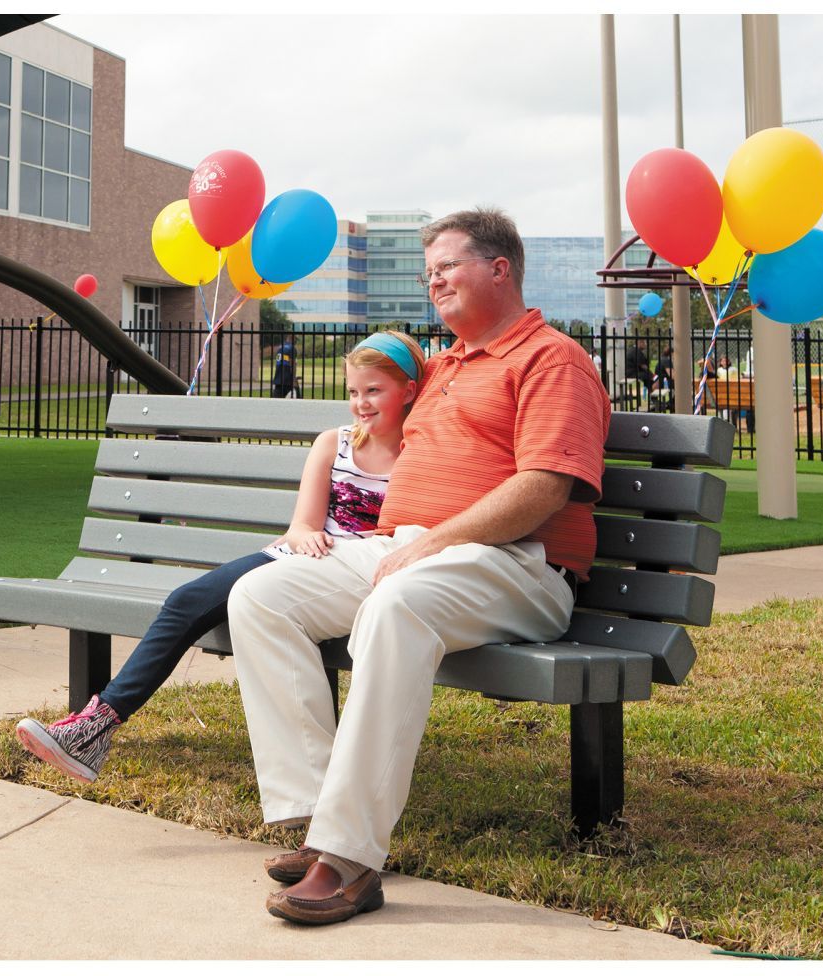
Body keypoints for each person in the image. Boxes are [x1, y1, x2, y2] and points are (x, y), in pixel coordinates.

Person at [227, 208, 610, 926]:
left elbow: (543, 488)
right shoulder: (443, 365)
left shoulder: (551, 359)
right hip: (409, 549)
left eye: (448, 267)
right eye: (426, 270)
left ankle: (349, 859)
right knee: (260, 594)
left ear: (500, 269)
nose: (432, 280)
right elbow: (376, 388)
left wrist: (433, 542)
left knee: (396, 604)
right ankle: (317, 819)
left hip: (516, 562)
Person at [14, 330, 428, 783]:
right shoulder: (335, 443)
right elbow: (302, 525)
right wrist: (306, 536)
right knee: (186, 600)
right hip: (300, 560)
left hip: (358, 577)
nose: (361, 403)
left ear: (408, 390)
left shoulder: (426, 454)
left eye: (374, 390)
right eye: (353, 391)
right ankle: (94, 728)